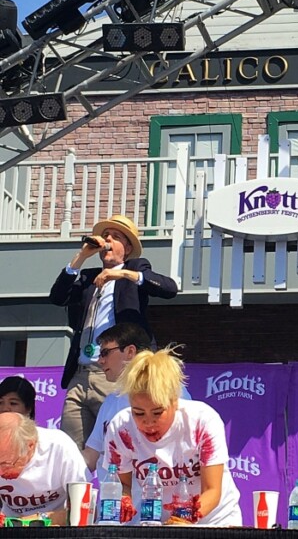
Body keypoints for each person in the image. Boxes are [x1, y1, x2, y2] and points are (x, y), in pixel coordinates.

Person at [49, 214, 178, 450]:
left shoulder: (135, 268)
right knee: (72, 450)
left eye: (115, 237)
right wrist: (81, 256)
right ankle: (78, 488)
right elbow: (57, 297)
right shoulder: (88, 277)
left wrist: (122, 273)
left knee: (122, 446)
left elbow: (170, 288)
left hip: (118, 374)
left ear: (127, 248)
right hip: (81, 373)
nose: (107, 240)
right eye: (105, 235)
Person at [102, 346, 242, 526]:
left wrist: (183, 521)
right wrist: (123, 500)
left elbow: (212, 490)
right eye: (139, 413)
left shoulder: (202, 421)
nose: (148, 422)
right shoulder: (121, 428)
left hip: (213, 521)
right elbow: (123, 485)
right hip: (153, 523)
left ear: (174, 402)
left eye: (157, 412)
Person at [83, 322, 191, 482]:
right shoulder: (111, 401)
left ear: (130, 351)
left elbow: (184, 453)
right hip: (114, 502)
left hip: (155, 500)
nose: (100, 361)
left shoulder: (171, 393)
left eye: (105, 352)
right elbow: (91, 455)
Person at [0, 412, 87, 525]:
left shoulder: (58, 447)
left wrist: (34, 520)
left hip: (54, 528)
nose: (1, 472)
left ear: (30, 445)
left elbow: (83, 507)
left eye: (6, 464)